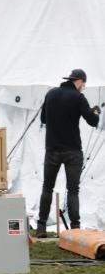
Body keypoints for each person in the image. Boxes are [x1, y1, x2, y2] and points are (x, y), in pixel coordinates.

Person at [36, 69, 101, 236]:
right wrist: (95, 112)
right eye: (83, 85)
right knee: (73, 190)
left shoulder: (51, 94)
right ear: (79, 81)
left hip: (52, 149)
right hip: (72, 151)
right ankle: (75, 228)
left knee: (47, 187)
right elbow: (92, 121)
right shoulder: (78, 97)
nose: (83, 88)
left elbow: (43, 119)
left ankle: (41, 227)